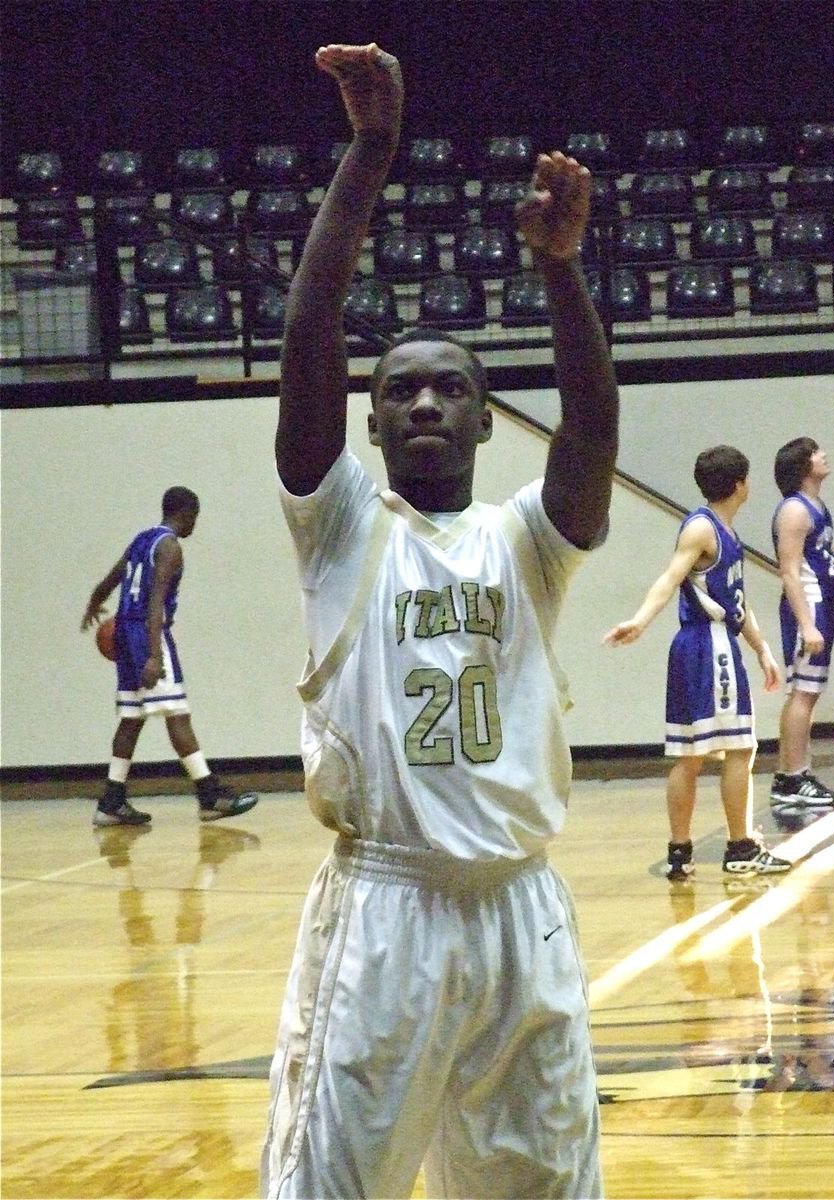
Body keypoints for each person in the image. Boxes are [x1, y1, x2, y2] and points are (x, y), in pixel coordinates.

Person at [260, 42, 618, 1200]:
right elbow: (311, 335)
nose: (423, 400)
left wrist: (559, 271)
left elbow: (595, 433)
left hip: (521, 907)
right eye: (399, 389)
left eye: (449, 387)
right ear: (368, 430)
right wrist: (370, 153)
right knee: (334, 1184)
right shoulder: (346, 528)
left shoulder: (524, 540)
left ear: (483, 423)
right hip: (386, 908)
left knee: (543, 1184)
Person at [603, 446, 791, 880]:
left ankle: (680, 852)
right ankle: (741, 847)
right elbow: (669, 579)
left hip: (702, 646)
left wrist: (761, 649)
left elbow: (736, 602)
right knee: (738, 748)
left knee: (690, 755)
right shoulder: (704, 529)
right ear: (740, 484)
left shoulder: (720, 529)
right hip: (711, 649)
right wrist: (640, 620)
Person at [81, 487, 258, 827]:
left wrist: (94, 600)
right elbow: (155, 601)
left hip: (125, 632)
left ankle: (111, 801)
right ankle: (209, 796)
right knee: (177, 713)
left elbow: (114, 576)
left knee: (132, 716)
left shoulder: (141, 539)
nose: (195, 524)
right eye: (196, 517)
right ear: (186, 513)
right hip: (148, 632)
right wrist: (153, 655)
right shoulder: (170, 547)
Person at [769, 438, 834, 807]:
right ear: (804, 465)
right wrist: (807, 624)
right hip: (809, 608)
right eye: (817, 452)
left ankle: (796, 772)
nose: (824, 455)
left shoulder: (815, 506)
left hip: (824, 604)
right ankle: (792, 777)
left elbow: (823, 557)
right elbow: (789, 572)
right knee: (802, 692)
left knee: (810, 692)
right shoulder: (794, 510)